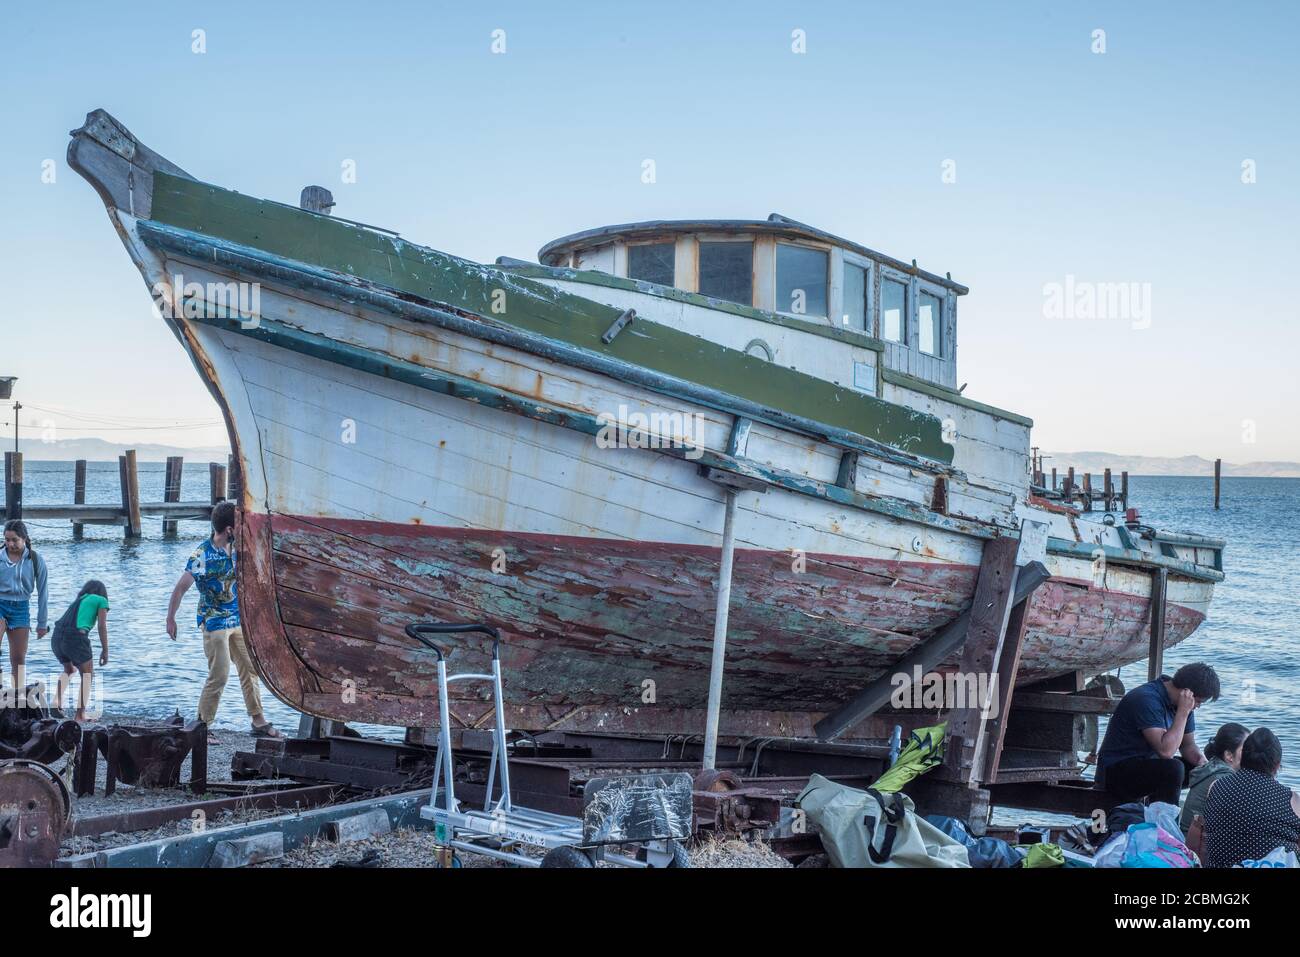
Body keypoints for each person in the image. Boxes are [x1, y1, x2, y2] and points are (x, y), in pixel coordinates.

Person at [165, 501, 280, 741]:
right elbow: (180, 588)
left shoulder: (237, 549)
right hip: (214, 622)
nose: (241, 529)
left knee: (250, 669)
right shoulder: (202, 554)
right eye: (237, 525)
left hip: (237, 620)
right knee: (220, 674)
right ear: (228, 529)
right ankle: (202, 726)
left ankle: (258, 720)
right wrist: (171, 618)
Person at [1094, 662, 1220, 806]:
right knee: (1173, 769)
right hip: (1115, 773)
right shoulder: (1147, 699)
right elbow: (1165, 752)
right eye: (1198, 701)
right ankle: (1163, 823)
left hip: (1146, 766)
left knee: (1197, 769)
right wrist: (1183, 713)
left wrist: (1204, 765)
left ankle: (1165, 809)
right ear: (1187, 693)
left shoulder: (1184, 706)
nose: (1197, 706)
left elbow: (1188, 745)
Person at [1202, 728, 1300, 868]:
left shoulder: (1216, 787)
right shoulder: (1293, 800)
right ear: (1277, 765)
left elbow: (1208, 835)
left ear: (1243, 757)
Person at [1, 519, 50, 697]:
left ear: (24, 539)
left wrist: (42, 623)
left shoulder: (35, 560)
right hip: (0, 604)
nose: (10, 544)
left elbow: (43, 592)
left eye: (14, 540)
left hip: (21, 609)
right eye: (7, 539)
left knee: (18, 659)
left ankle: (17, 697)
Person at [49, 580, 110, 721]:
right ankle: (80, 715)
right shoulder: (101, 600)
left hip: (57, 636)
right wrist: (105, 650)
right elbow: (102, 626)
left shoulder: (79, 600)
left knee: (70, 670)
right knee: (88, 675)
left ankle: (56, 701)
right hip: (75, 638)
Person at [1179, 722, 1248, 834]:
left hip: (1188, 840)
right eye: (1245, 750)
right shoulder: (1223, 779)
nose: (1250, 754)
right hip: (1196, 847)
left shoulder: (1213, 769)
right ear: (1229, 755)